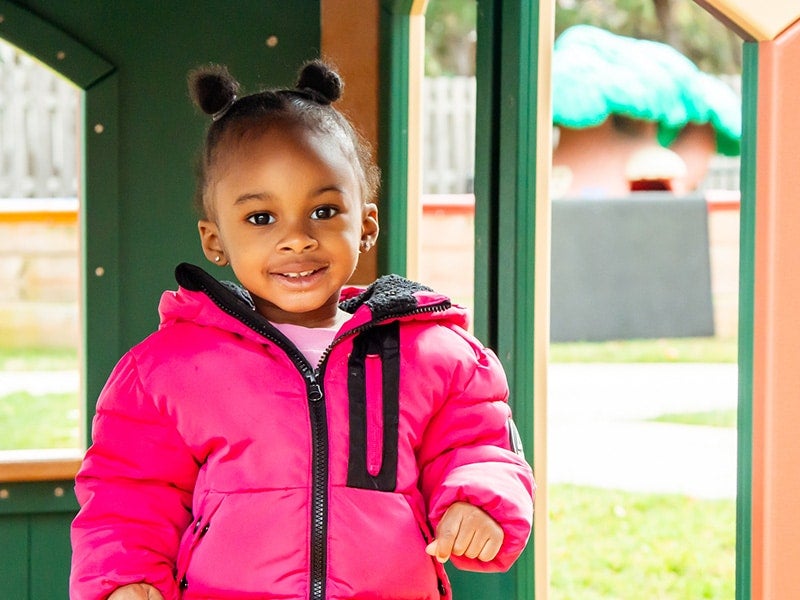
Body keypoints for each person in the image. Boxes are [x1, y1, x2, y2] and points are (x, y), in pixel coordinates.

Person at [70, 60, 535, 600]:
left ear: (365, 226)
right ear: (214, 239)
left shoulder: (434, 354)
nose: (297, 238)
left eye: (324, 210)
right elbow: (128, 491)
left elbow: (478, 444)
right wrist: (125, 580)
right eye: (261, 218)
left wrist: (478, 500)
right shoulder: (166, 371)